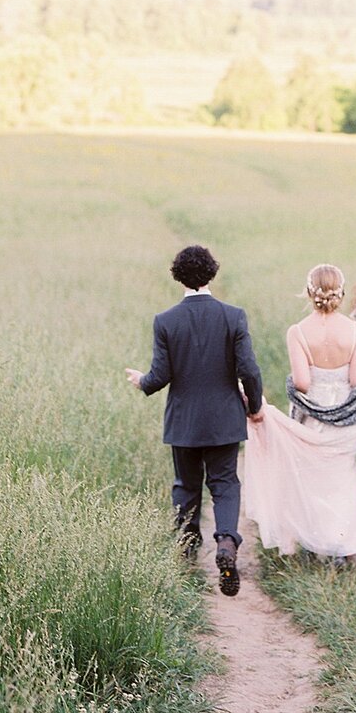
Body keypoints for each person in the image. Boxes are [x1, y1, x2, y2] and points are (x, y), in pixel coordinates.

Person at [126, 244, 264, 596]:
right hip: (224, 419)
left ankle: (186, 554)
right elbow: (248, 369)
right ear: (212, 273)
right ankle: (227, 543)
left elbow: (160, 375)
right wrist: (254, 405)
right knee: (225, 484)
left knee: (186, 488)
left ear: (178, 276)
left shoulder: (166, 321)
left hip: (184, 422)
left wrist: (141, 380)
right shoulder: (234, 316)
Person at [243, 263, 356, 566]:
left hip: (313, 422)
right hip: (346, 422)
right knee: (342, 483)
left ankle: (321, 545)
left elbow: (302, 383)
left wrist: (295, 381)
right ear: (341, 293)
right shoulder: (355, 330)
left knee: (314, 482)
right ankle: (340, 547)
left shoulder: (298, 332)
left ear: (308, 292)